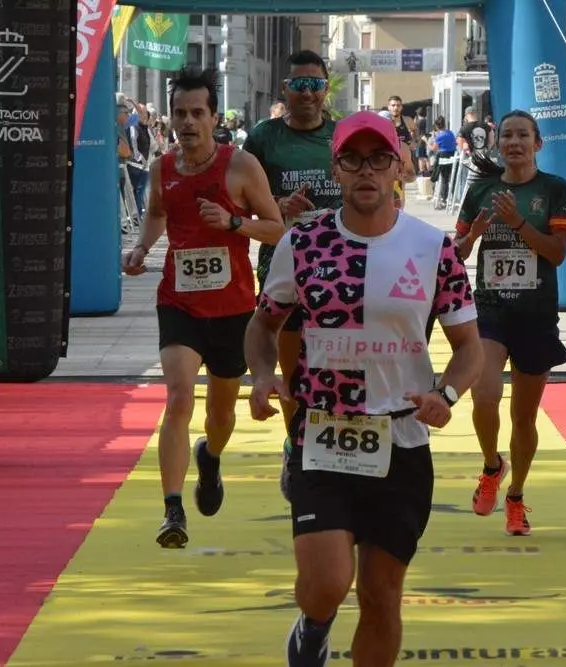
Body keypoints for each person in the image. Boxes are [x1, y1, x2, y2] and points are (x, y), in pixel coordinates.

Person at [244, 111, 483, 667]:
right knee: (328, 583)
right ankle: (315, 622)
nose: (367, 170)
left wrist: (445, 397)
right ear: (337, 168)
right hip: (323, 435)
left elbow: (469, 346)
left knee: (380, 596)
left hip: (401, 439)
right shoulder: (303, 242)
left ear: (399, 166)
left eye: (380, 158)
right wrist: (261, 375)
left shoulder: (432, 247)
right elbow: (262, 325)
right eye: (353, 159)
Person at [121, 67, 285, 548]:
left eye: (197, 113)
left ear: (215, 118)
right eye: (179, 113)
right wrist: (139, 249)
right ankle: (173, 510)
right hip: (179, 303)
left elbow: (276, 228)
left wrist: (235, 223)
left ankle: (209, 457)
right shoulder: (163, 169)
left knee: (220, 415)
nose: (187, 122)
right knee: (177, 397)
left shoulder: (240, 167)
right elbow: (156, 214)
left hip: (233, 308)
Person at [454, 110, 566, 537]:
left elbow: (558, 254)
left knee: (524, 417)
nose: (515, 142)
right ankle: (491, 465)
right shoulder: (481, 189)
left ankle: (517, 495)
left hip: (536, 314)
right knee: (483, 396)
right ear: (498, 143)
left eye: (524, 135)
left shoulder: (553, 189)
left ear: (537, 143)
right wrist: (472, 236)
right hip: (490, 309)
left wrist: (520, 224)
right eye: (507, 135)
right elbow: (457, 255)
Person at [242, 49, 343, 501]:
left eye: (315, 85)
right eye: (298, 85)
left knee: (339, 366)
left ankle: (340, 454)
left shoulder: (343, 135)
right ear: (286, 90)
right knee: (293, 372)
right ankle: (297, 445)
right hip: (284, 265)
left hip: (343, 269)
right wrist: (277, 208)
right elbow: (240, 201)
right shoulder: (264, 138)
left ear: (326, 89)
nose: (307, 93)